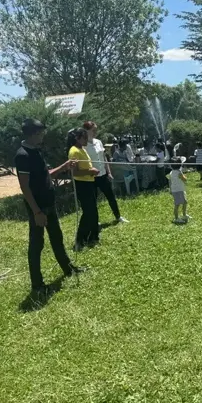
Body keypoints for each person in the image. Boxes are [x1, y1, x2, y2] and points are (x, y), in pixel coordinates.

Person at [14, 119, 85, 296]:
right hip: (38, 208)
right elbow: (25, 187)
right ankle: (37, 285)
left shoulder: (36, 151)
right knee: (37, 245)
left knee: (57, 238)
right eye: (41, 133)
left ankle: (68, 269)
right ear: (32, 134)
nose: (43, 136)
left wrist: (64, 166)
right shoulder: (22, 155)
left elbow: (46, 175)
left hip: (49, 203)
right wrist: (37, 211)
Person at [83, 121, 128, 224]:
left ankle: (118, 217)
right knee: (93, 201)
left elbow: (104, 158)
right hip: (92, 176)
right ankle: (95, 221)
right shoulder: (83, 145)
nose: (95, 132)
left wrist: (109, 172)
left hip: (103, 175)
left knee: (111, 196)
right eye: (93, 130)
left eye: (96, 130)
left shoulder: (98, 142)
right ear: (86, 131)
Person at [68, 128, 100, 251]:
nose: (87, 140)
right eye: (84, 138)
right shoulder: (74, 151)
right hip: (82, 184)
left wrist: (91, 172)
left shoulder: (82, 149)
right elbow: (75, 172)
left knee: (93, 211)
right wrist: (90, 171)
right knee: (88, 212)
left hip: (89, 182)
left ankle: (93, 237)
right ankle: (80, 240)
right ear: (77, 138)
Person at [169, 158, 189, 224]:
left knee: (185, 202)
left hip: (176, 190)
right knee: (177, 205)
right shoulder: (179, 173)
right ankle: (176, 218)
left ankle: (184, 215)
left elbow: (170, 181)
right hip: (179, 190)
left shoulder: (171, 172)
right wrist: (185, 175)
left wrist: (170, 189)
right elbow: (184, 179)